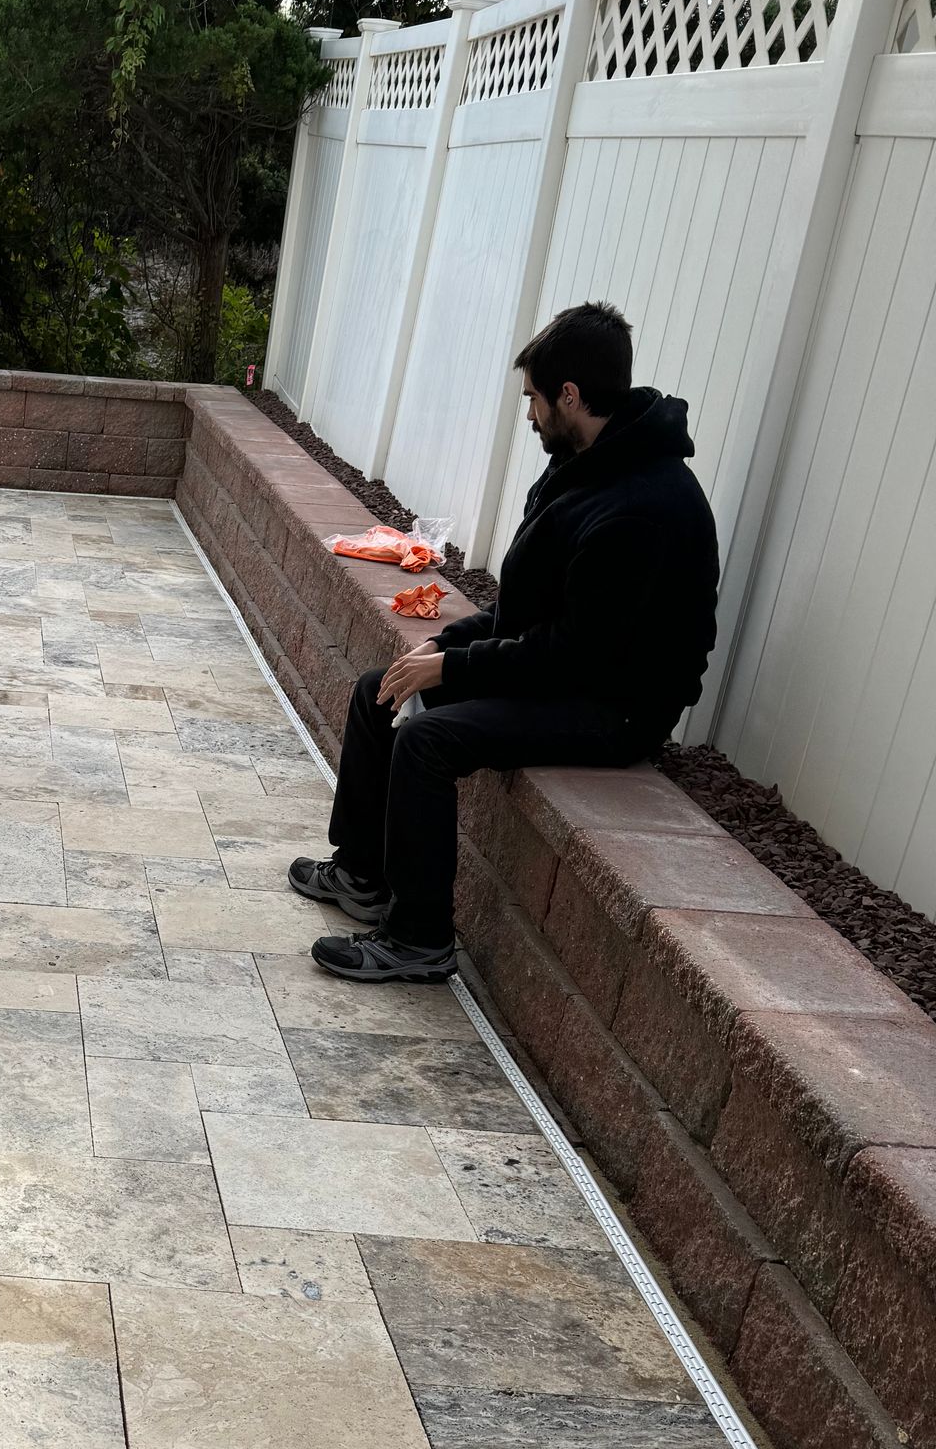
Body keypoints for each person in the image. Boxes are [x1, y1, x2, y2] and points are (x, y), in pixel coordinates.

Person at [288, 300, 719, 982]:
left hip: (613, 707)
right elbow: (525, 611)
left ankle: (419, 938)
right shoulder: (582, 468)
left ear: (569, 396)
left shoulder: (642, 507)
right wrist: (441, 650)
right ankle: (363, 875)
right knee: (381, 686)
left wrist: (455, 672)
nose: (528, 416)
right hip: (566, 670)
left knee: (429, 741)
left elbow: (573, 655)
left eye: (534, 399)